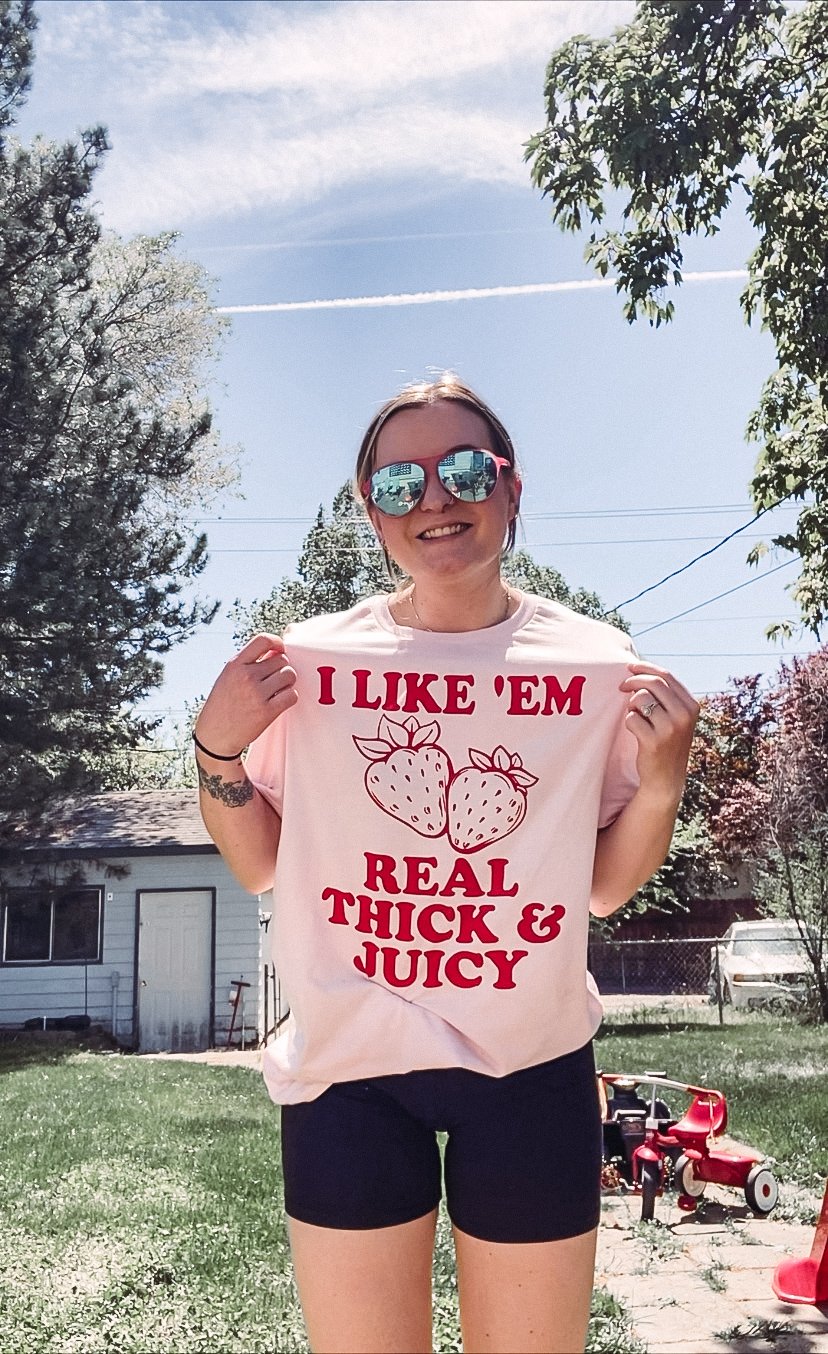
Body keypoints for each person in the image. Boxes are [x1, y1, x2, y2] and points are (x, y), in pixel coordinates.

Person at [194, 373, 699, 1354]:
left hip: (532, 1068)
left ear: (512, 489)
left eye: (465, 468)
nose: (434, 497)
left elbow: (603, 883)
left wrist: (663, 780)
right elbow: (257, 861)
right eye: (399, 483)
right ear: (371, 515)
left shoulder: (593, 659)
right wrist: (216, 752)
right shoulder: (313, 663)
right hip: (349, 1075)